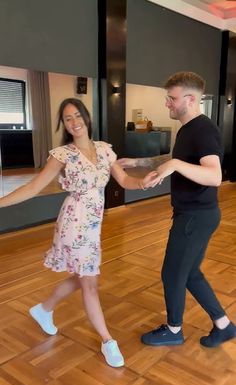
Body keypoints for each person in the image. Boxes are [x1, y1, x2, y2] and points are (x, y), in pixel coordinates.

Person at [0, 98, 159, 367]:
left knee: (81, 276)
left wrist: (143, 182)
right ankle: (108, 341)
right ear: (64, 124)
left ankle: (43, 309)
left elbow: (124, 181)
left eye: (77, 116)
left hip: (93, 224)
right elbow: (33, 187)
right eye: (67, 119)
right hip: (74, 224)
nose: (73, 122)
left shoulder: (104, 150)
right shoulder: (62, 154)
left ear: (86, 117)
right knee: (90, 284)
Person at [118, 71, 236, 348]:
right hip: (193, 214)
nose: (167, 104)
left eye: (172, 99)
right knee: (190, 273)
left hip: (196, 216)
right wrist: (138, 162)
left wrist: (172, 166)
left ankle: (174, 330)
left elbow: (214, 176)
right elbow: (174, 160)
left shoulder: (204, 130)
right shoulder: (187, 129)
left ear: (191, 99)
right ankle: (224, 325)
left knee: (172, 273)